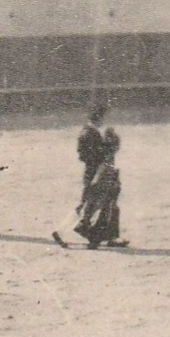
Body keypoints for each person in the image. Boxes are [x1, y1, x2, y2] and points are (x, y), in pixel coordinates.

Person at [54, 106, 112, 247]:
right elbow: (91, 156)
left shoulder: (86, 132)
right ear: (99, 118)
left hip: (91, 171)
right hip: (94, 172)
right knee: (89, 204)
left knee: (87, 203)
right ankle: (63, 231)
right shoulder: (92, 134)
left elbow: (82, 155)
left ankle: (63, 231)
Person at [71, 128, 128, 249]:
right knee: (104, 207)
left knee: (104, 206)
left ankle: (104, 235)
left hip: (98, 178)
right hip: (101, 180)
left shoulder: (98, 153)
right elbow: (104, 168)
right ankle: (90, 231)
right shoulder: (105, 155)